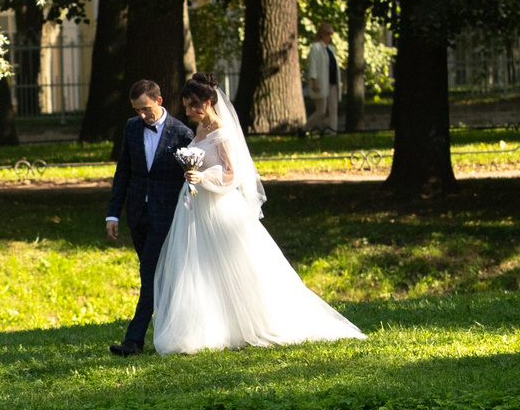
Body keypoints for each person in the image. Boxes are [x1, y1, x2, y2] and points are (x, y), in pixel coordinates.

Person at [152, 76, 364, 353]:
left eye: (193, 106)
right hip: (195, 207)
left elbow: (232, 175)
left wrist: (202, 178)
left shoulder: (222, 132)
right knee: (199, 266)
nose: (189, 112)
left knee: (234, 266)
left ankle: (251, 322)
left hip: (219, 208)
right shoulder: (200, 130)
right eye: (187, 107)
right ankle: (207, 325)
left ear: (208, 102)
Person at [103, 78, 194, 355]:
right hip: (137, 214)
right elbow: (124, 172)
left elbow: (190, 180)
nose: (142, 115)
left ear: (159, 101)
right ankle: (176, 329)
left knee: (149, 274)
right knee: (158, 276)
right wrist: (113, 214)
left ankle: (134, 340)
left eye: (145, 109)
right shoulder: (131, 128)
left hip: (166, 215)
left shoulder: (182, 133)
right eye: (137, 110)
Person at [305, 24, 342, 132]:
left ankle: (332, 131)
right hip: (322, 83)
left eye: (331, 34)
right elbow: (313, 66)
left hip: (333, 83)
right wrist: (314, 82)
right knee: (321, 111)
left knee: (333, 109)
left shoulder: (331, 49)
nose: (329, 36)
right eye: (327, 33)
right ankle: (305, 128)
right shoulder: (315, 48)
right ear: (321, 34)